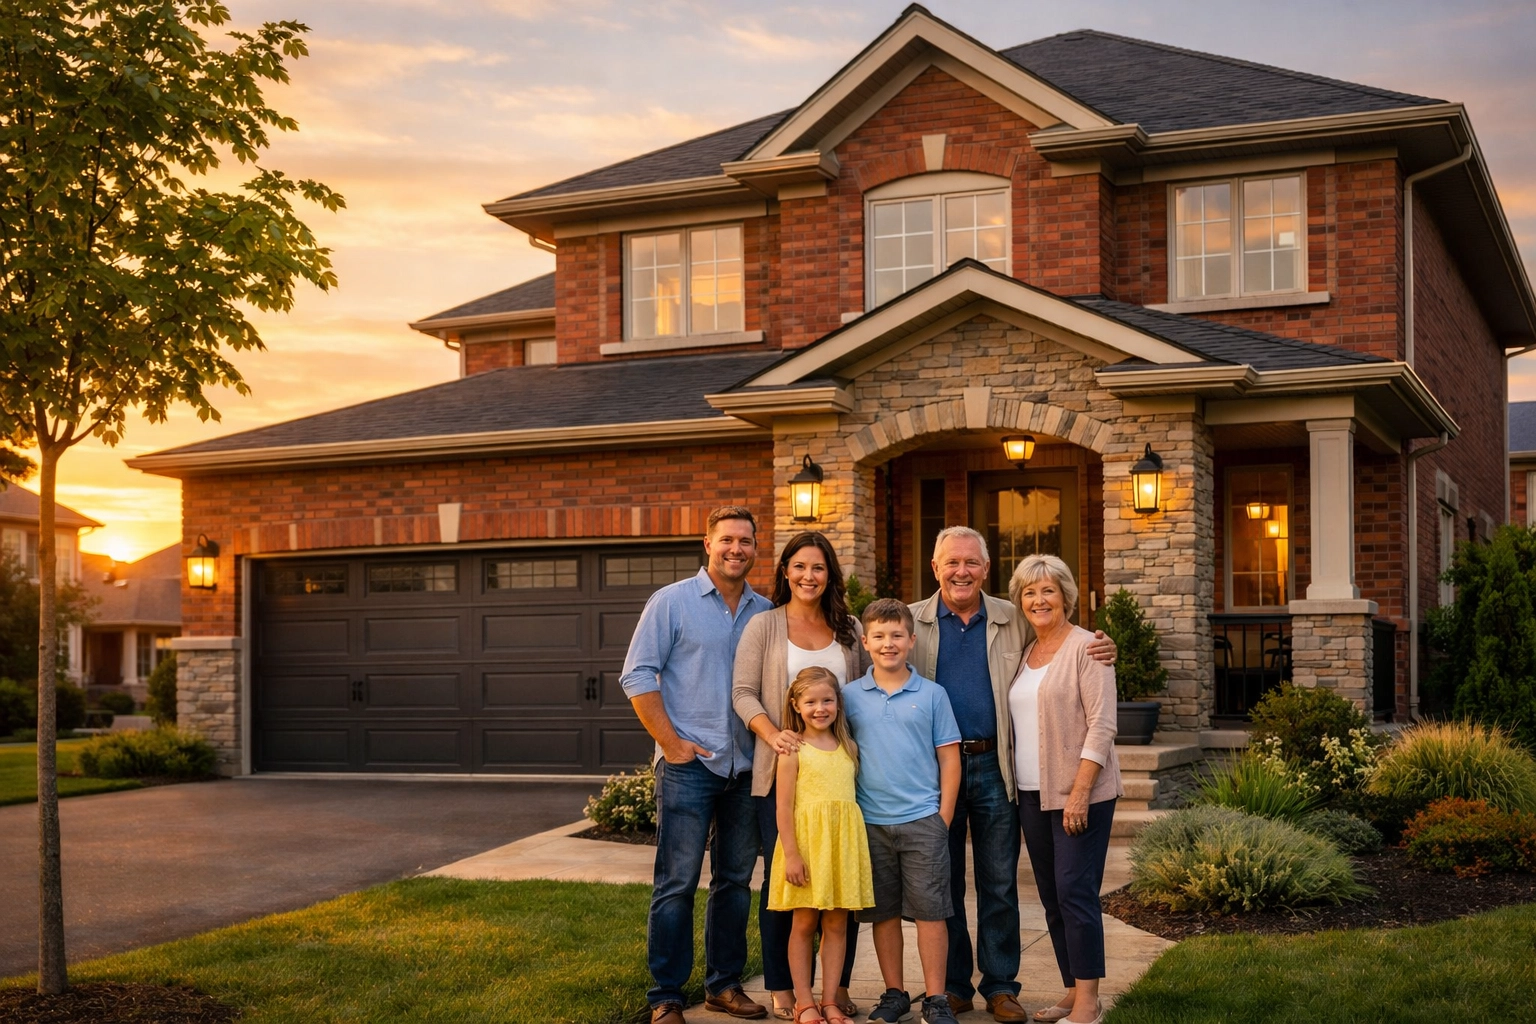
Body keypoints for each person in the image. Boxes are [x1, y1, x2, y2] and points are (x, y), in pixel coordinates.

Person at [909, 527, 1115, 1022]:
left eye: (972, 563)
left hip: (997, 767)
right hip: (938, 771)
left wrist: (1103, 647)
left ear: (985, 569)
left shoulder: (1010, 617)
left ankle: (1001, 986)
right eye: (951, 563)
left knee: (1001, 882)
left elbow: (1065, 640)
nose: (962, 571)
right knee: (946, 882)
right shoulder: (910, 622)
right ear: (935, 568)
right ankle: (956, 986)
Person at [620, 506, 773, 1024]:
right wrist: (673, 742)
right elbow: (637, 675)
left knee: (734, 881)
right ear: (707, 544)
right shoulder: (672, 603)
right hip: (689, 767)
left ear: (756, 548)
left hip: (748, 768)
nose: (736, 549)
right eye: (727, 540)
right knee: (677, 883)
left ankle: (724, 985)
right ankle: (665, 994)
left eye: (746, 541)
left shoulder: (767, 612)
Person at [734, 532, 868, 1020]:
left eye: (818, 567)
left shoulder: (849, 629)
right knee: (786, 888)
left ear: (829, 574)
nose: (809, 576)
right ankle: (785, 989)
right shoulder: (763, 626)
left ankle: (838, 988)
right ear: (785, 571)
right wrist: (774, 736)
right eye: (800, 566)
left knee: (839, 890)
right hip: (784, 777)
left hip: (839, 778)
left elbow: (869, 691)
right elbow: (743, 692)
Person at [1007, 554, 1123, 1024]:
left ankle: (1090, 1003)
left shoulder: (1088, 647)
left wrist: (1080, 791)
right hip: (1032, 794)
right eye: (1030, 593)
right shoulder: (1023, 652)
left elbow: (1103, 724)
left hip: (1082, 793)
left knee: (1075, 891)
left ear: (1066, 597)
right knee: (1053, 896)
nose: (1039, 600)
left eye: (1048, 590)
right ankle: (1073, 990)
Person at [844, 598, 962, 1024]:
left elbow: (950, 758)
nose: (888, 644)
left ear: (911, 640)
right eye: (879, 636)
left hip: (922, 820)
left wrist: (943, 817)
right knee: (884, 913)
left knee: (932, 913)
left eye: (897, 635)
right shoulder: (848, 696)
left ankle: (936, 998)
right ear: (865, 641)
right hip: (870, 823)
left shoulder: (932, 694)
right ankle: (894, 993)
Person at [765, 667, 875, 1024]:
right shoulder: (792, 749)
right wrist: (792, 856)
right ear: (796, 705)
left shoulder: (848, 747)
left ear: (838, 703)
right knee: (803, 924)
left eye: (827, 700)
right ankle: (805, 1003)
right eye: (810, 701)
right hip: (807, 849)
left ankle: (829, 1000)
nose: (820, 708)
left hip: (840, 850)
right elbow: (783, 807)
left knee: (838, 926)